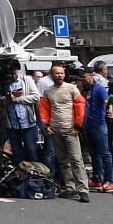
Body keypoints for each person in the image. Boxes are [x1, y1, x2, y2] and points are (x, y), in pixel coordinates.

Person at [39, 64, 90, 203]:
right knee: (63, 161)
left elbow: (81, 106)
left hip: (70, 129)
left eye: (61, 73)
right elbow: (43, 109)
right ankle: (70, 187)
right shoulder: (48, 91)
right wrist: (45, 126)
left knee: (76, 160)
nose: (60, 76)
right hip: (55, 129)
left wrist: (79, 126)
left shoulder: (72, 88)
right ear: (52, 75)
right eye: (57, 73)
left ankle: (83, 190)